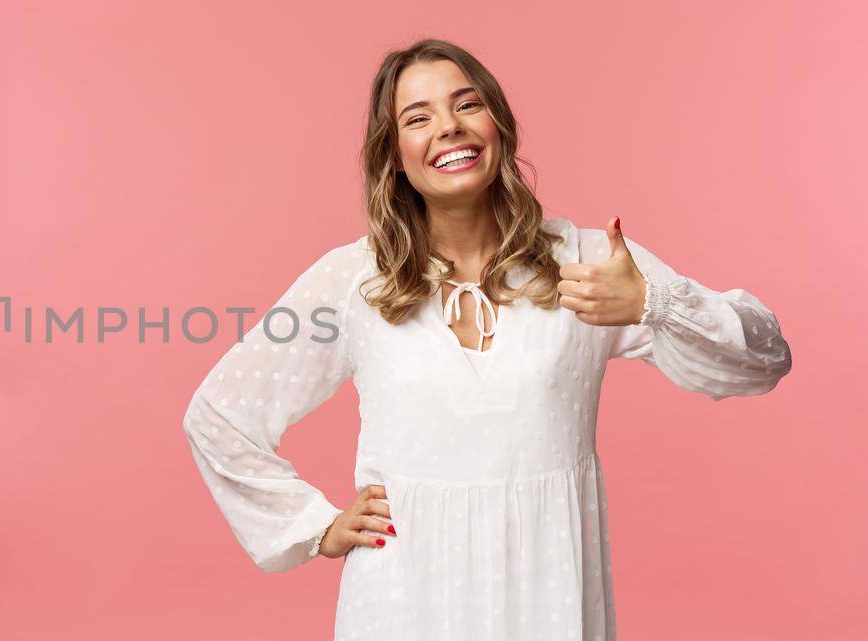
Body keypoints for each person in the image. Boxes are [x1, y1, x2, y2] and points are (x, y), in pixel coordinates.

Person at [179, 38, 792, 639]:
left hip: (549, 590)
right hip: (402, 598)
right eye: (418, 118)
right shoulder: (353, 279)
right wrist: (315, 526)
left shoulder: (582, 261)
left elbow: (763, 359)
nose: (448, 127)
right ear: (394, 155)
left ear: (498, 124)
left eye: (466, 104)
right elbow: (218, 415)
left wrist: (654, 305)